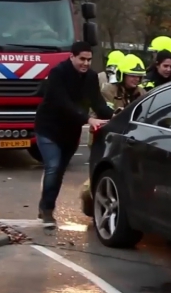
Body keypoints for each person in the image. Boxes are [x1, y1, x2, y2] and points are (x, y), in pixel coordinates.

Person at [34, 41, 114, 228]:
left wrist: (116, 116)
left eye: (89, 60)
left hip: (70, 132)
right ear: (72, 57)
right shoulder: (58, 73)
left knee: (59, 170)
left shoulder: (91, 77)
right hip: (48, 129)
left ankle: (44, 204)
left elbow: (98, 103)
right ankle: (47, 210)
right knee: (53, 166)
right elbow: (62, 103)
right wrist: (88, 119)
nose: (86, 63)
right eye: (82, 59)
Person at [79, 54, 149, 215]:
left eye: (139, 76)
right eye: (132, 75)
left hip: (129, 139)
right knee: (103, 172)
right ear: (122, 75)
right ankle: (89, 197)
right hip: (104, 138)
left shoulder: (142, 93)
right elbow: (104, 113)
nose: (136, 80)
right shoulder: (108, 91)